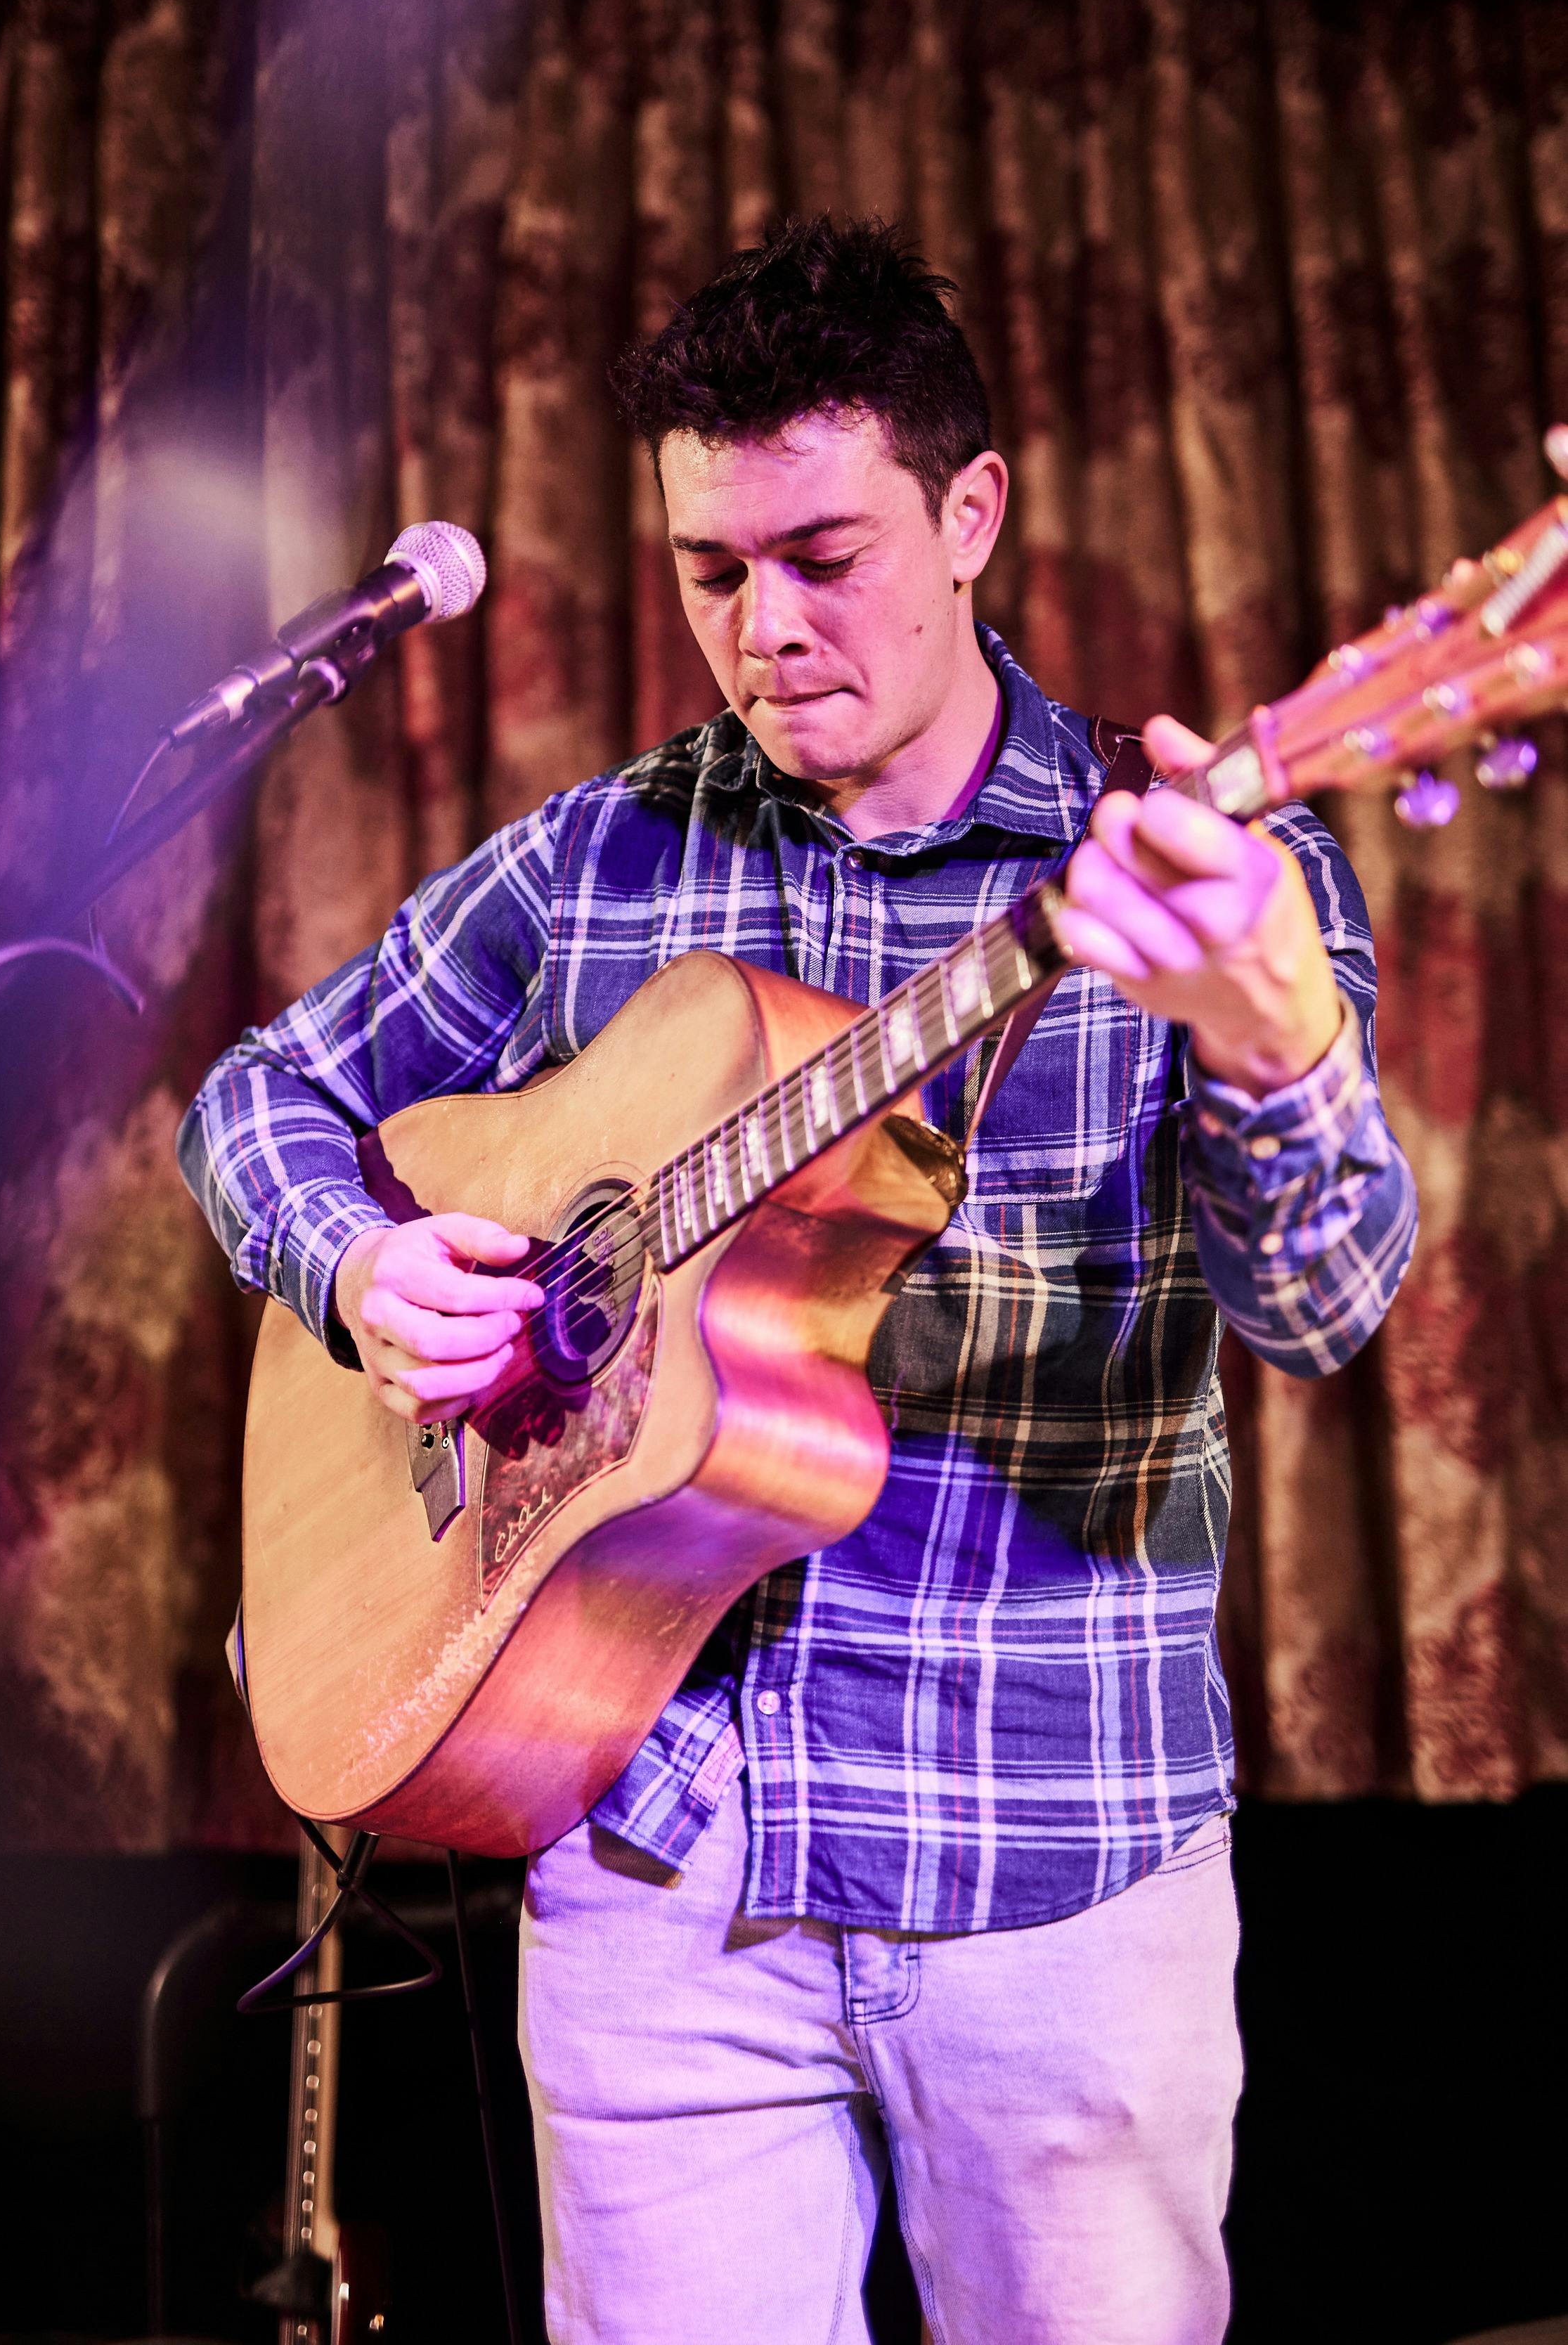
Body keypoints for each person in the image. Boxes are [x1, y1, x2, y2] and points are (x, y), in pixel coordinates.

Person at [179, 217, 1416, 2345]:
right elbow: (257, 1095)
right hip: (653, 1863)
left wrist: (1280, 1041)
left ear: (970, 514)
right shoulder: (603, 858)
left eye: (823, 557)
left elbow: (1322, 1310)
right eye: (711, 571)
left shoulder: (1208, 871)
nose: (762, 631)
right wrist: (361, 1262)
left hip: (1055, 1855)